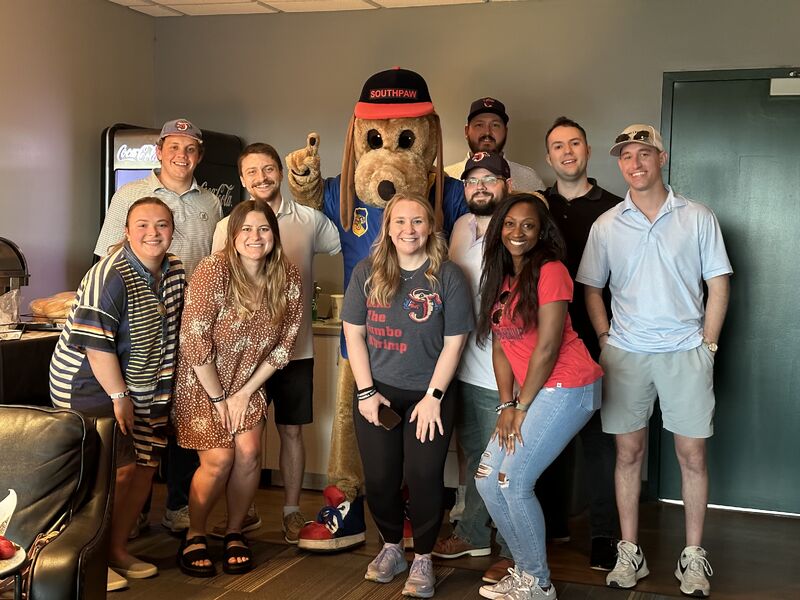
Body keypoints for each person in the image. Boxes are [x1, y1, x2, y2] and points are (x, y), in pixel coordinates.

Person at [576, 124, 732, 598]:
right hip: (627, 354)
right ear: (619, 163)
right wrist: (605, 338)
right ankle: (631, 552)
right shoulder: (606, 224)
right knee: (628, 453)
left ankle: (694, 556)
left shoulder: (697, 216)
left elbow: (719, 283)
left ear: (661, 158)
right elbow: (591, 287)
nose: (635, 163)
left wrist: (708, 345)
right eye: (626, 156)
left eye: (645, 153)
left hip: (686, 351)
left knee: (692, 454)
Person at [50, 197, 185, 592]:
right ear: (126, 232)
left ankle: (117, 549)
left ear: (172, 232)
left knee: (144, 466)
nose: (152, 233)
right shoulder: (109, 274)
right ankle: (87, 561)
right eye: (142, 225)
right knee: (114, 470)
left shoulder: (175, 271)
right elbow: (97, 346)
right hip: (91, 383)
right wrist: (118, 394)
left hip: (147, 386)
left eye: (161, 225)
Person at [95, 118, 222, 535]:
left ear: (199, 155)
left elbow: (216, 264)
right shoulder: (131, 195)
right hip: (140, 326)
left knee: (182, 415)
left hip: (192, 325)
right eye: (174, 147)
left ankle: (179, 505)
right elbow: (106, 258)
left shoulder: (212, 203)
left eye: (190, 149)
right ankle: (132, 515)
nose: (181, 156)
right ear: (159, 151)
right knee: (139, 414)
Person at [341, 193, 473, 598]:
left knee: (422, 477)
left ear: (430, 227)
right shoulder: (367, 270)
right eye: (400, 222)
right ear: (388, 227)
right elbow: (354, 334)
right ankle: (392, 547)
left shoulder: (447, 275)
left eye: (417, 221)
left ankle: (424, 557)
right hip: (376, 394)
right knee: (379, 479)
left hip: (430, 395)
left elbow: (455, 342)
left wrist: (433, 396)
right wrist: (365, 392)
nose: (408, 230)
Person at [210, 143, 341, 543]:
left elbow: (349, 246)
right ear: (242, 178)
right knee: (245, 438)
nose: (261, 178)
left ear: (281, 172)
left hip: (294, 350)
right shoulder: (228, 225)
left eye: (268, 169)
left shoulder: (309, 219)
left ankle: (290, 511)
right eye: (252, 172)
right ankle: (244, 513)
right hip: (242, 356)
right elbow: (218, 284)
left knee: (290, 432)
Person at [474, 193, 602, 600]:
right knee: (487, 483)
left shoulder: (551, 270)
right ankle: (525, 570)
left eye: (528, 225)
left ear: (541, 231)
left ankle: (538, 582)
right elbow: (500, 346)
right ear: (499, 229)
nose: (517, 232)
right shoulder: (500, 274)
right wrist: (507, 403)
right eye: (510, 224)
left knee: (513, 483)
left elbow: (547, 348)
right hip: (530, 393)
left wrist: (522, 407)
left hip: (568, 386)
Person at [172, 200, 302, 577]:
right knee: (219, 460)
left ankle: (233, 532)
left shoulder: (287, 275)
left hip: (249, 383)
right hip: (203, 381)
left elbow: (285, 344)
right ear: (232, 235)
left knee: (248, 454)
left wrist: (244, 393)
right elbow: (194, 341)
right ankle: (195, 533)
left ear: (274, 236)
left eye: (263, 229)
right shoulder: (214, 270)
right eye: (245, 229)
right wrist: (219, 398)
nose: (254, 237)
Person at [541, 116, 623, 570]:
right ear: (549, 156)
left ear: (588, 151)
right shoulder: (536, 206)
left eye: (575, 143)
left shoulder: (614, 208)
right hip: (546, 342)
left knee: (600, 442)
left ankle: (604, 536)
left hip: (599, 337)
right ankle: (553, 524)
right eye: (558, 146)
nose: (567, 151)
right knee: (547, 435)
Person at [432, 152, 516, 581]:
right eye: (472, 180)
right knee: (476, 455)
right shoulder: (462, 227)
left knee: (502, 462)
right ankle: (473, 532)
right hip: (461, 363)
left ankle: (512, 549)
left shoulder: (517, 229)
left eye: (489, 178)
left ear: (507, 183)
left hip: (500, 369)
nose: (480, 186)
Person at [445, 97, 544, 194]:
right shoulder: (446, 177)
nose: (487, 132)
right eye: (479, 125)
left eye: (495, 125)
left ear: (506, 131)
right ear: (466, 131)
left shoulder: (529, 178)